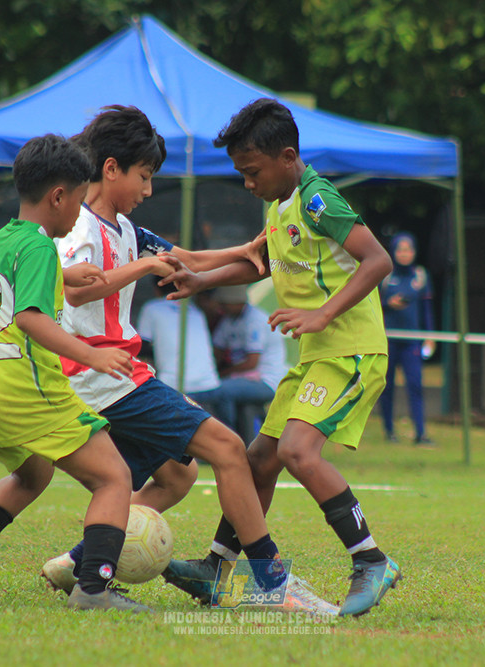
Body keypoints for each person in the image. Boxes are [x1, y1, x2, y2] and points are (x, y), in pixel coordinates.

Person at [40, 105, 336, 614]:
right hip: (104, 377)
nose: (148, 190)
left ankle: (77, 562)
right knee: (227, 447)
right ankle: (270, 581)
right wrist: (143, 267)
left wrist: (245, 250)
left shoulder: (124, 228)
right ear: (111, 169)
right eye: (145, 176)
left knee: (179, 475)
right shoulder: (82, 229)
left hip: (115, 377)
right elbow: (77, 289)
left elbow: (185, 260)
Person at [159, 98, 401, 617]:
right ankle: (219, 566)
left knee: (297, 452)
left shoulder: (318, 200)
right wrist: (200, 277)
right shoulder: (280, 206)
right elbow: (259, 262)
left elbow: (376, 259)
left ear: (288, 156)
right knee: (256, 460)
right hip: (317, 358)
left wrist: (321, 314)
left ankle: (372, 560)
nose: (247, 182)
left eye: (252, 172)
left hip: (351, 353)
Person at [0, 134, 148, 613]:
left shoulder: (6, 237)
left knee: (33, 474)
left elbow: (11, 291)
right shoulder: (43, 248)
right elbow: (29, 318)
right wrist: (94, 357)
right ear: (58, 197)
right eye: (81, 197)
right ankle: (93, 590)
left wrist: (62, 277)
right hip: (22, 388)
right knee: (114, 478)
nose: (81, 211)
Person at [210, 284, 289, 441]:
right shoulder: (229, 319)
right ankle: (237, 439)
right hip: (244, 379)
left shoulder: (255, 320)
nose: (221, 307)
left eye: (225, 303)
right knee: (215, 387)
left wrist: (221, 374)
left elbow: (251, 363)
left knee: (220, 390)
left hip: (266, 380)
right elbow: (216, 350)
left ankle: (226, 439)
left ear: (237, 302)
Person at [378, 232, 436, 445]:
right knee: (387, 386)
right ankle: (388, 430)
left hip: (412, 340)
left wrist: (430, 336)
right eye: (400, 250)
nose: (404, 254)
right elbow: (373, 306)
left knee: (415, 385)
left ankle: (421, 433)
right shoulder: (385, 275)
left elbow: (427, 309)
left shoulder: (420, 276)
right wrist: (388, 304)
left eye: (408, 249)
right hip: (389, 339)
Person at [136, 279, 222, 408]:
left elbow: (142, 347)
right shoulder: (195, 310)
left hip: (176, 386)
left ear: (156, 289)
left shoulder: (152, 308)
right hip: (210, 384)